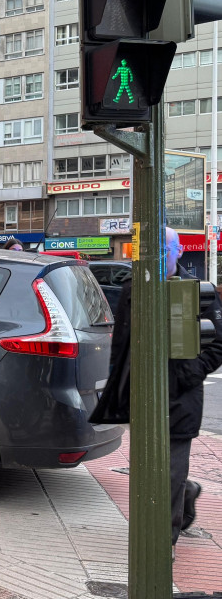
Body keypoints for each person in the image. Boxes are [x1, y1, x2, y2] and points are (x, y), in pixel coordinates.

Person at [91, 228, 222, 557]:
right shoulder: (132, 289)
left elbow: (219, 342)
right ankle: (185, 492)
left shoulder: (198, 291)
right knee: (151, 471)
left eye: (166, 249)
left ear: (179, 252)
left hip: (181, 398)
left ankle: (164, 542)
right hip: (144, 399)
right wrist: (119, 391)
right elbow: (121, 346)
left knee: (170, 474)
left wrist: (187, 373)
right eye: (152, 249)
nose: (159, 255)